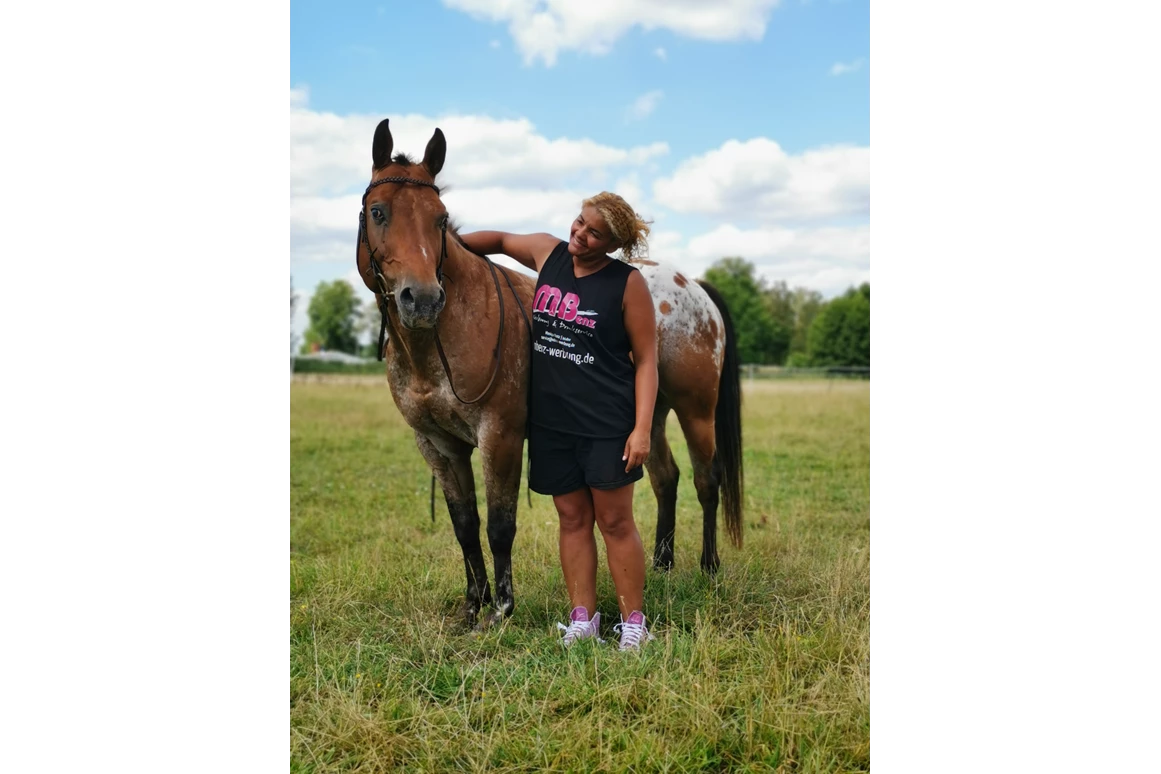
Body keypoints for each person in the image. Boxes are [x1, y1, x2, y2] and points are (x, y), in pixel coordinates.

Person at [459, 192, 658, 651]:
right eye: (579, 222)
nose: (580, 234)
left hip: (607, 421)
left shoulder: (626, 284)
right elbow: (502, 239)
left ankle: (633, 624)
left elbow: (647, 361)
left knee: (614, 522)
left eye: (594, 233)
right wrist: (440, 245)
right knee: (571, 518)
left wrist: (642, 428)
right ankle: (583, 619)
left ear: (611, 245)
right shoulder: (549, 253)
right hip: (551, 423)